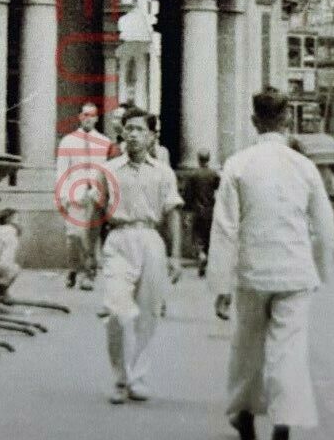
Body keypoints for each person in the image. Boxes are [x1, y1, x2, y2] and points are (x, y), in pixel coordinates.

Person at [209, 88, 334, 440]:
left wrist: (220, 284)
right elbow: (325, 226)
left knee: (246, 345)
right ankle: (283, 431)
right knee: (289, 350)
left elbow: (225, 228)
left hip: (252, 271)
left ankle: (245, 413)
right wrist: (319, 269)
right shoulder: (305, 167)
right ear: (287, 121)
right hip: (296, 271)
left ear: (253, 121)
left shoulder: (238, 164)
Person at [95, 108, 182, 404]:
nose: (132, 135)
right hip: (118, 238)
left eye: (139, 130)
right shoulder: (109, 170)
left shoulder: (163, 172)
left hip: (150, 238)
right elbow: (97, 210)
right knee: (117, 311)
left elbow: (172, 214)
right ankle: (119, 377)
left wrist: (175, 256)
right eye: (128, 129)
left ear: (152, 136)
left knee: (148, 313)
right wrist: (91, 252)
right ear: (121, 133)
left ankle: (138, 377)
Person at [55, 101, 112, 290]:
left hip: (94, 194)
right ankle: (73, 268)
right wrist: (62, 196)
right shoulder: (68, 141)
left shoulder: (104, 142)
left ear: (96, 118)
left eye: (92, 115)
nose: (88, 119)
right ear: (80, 117)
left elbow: (106, 171)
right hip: (74, 195)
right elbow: (62, 171)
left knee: (91, 236)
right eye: (85, 115)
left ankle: (89, 273)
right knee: (74, 235)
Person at [182, 150, 220, 277]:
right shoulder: (214, 174)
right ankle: (205, 257)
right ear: (209, 159)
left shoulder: (193, 175)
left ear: (198, 159)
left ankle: (201, 255)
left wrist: (186, 213)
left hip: (197, 211)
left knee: (196, 237)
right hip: (210, 210)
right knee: (208, 237)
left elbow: (187, 196)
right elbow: (218, 190)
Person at [0, 207, 23, 301]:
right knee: (14, 269)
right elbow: (5, 262)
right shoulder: (10, 232)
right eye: (18, 219)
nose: (20, 222)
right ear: (8, 219)